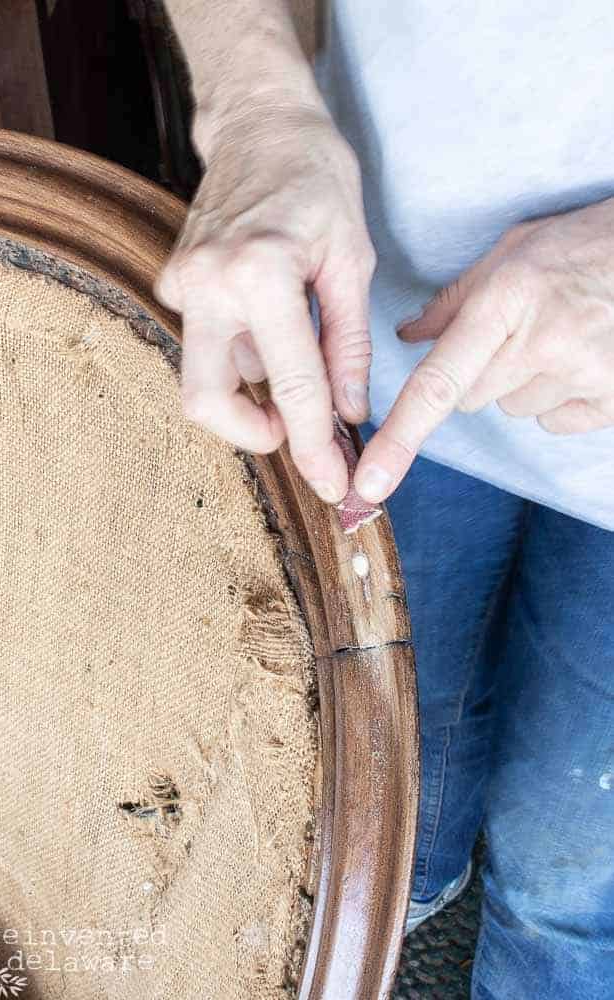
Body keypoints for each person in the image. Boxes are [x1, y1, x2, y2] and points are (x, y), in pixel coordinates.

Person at [157, 3, 614, 997]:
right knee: (390, 764)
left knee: (567, 871)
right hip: (370, 316)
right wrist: (252, 104)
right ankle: (418, 885)